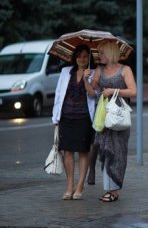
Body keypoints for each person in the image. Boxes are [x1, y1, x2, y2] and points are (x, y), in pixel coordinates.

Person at [91, 41, 136, 202]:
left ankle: (114, 189)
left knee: (118, 152)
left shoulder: (125, 70)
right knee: (104, 150)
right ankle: (109, 189)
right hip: (103, 115)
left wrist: (113, 91)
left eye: (101, 53)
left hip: (119, 116)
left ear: (109, 53)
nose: (99, 56)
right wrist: (89, 80)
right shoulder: (99, 70)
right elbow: (92, 91)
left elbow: (133, 91)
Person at [52, 45, 98, 200]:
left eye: (85, 56)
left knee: (83, 151)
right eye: (79, 56)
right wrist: (55, 117)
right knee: (67, 151)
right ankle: (70, 186)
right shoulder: (66, 72)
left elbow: (93, 95)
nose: (82, 59)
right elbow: (58, 94)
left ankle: (80, 186)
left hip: (84, 118)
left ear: (89, 58)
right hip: (66, 117)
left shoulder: (93, 73)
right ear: (75, 57)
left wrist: (86, 79)